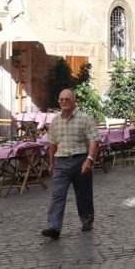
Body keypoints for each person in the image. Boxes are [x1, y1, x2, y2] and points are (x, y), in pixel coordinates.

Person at [41, 89, 100, 240]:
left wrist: (89, 159)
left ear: (74, 101)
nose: (63, 102)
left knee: (83, 195)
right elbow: (52, 143)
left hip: (81, 160)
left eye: (67, 99)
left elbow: (94, 140)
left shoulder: (85, 118)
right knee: (58, 195)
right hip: (61, 162)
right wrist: (52, 162)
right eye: (61, 99)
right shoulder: (55, 121)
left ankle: (87, 220)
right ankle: (54, 227)